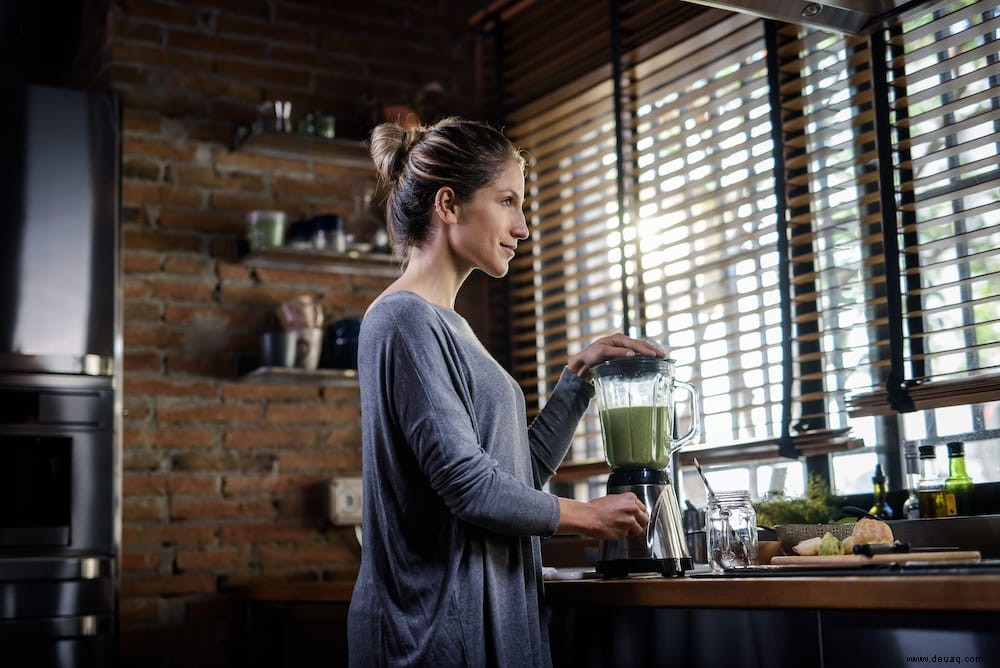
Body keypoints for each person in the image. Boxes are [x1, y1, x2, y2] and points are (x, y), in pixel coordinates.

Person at [347, 117, 662, 667]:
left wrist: (577, 380)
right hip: (434, 634)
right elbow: (469, 488)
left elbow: (512, 476)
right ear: (448, 205)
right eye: (508, 201)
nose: (523, 227)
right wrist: (588, 516)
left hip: (489, 619)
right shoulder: (401, 319)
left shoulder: (451, 327)